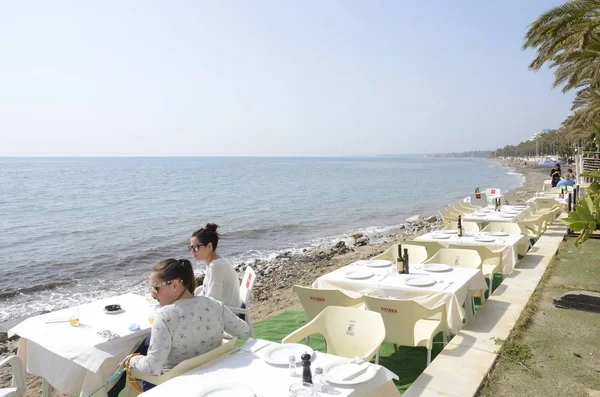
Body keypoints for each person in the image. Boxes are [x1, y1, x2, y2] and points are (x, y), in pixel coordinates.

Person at [108, 259, 249, 396]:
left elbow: (153, 367)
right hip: (212, 372)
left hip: (174, 384)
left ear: (175, 285)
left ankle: (112, 389)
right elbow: (243, 331)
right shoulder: (213, 304)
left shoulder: (165, 316)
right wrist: (213, 330)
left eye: (156, 288)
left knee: (143, 348)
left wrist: (130, 360)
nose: (152, 294)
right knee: (148, 340)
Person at [189, 223, 242, 309]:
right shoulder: (214, 262)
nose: (192, 251)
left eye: (196, 247)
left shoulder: (215, 266)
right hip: (228, 309)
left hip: (228, 315)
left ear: (209, 246)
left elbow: (213, 301)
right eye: (190, 248)